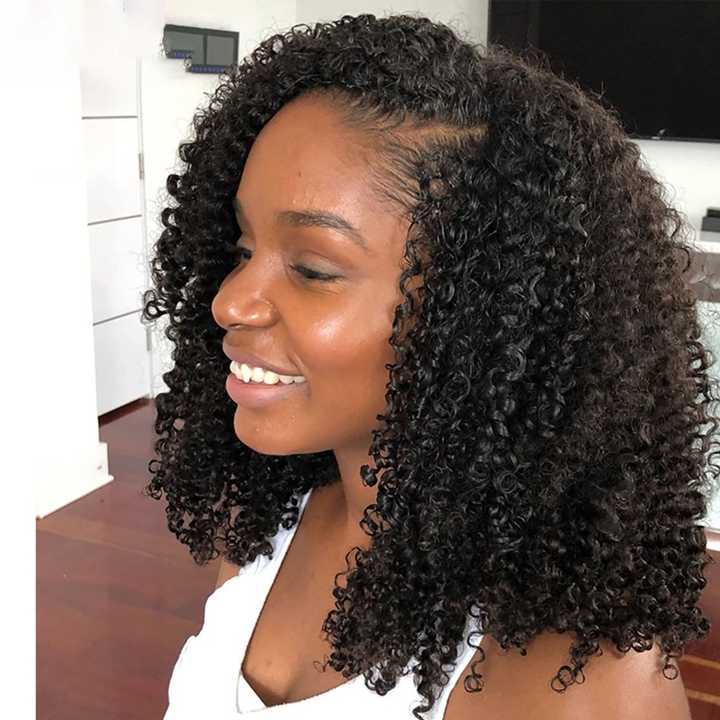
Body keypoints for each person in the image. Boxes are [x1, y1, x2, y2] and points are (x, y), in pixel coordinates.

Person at [141, 12, 714, 720]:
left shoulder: (577, 681)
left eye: (313, 269)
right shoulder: (263, 525)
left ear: (479, 315)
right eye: (242, 248)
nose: (229, 302)